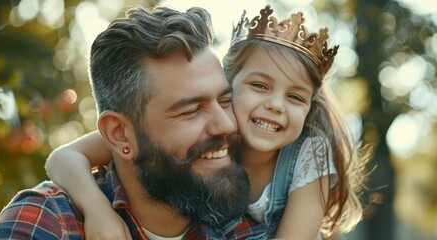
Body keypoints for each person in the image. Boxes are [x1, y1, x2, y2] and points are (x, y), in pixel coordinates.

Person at [45, 5, 369, 240]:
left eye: (296, 97)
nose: (274, 106)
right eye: (259, 86)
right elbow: (65, 156)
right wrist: (97, 209)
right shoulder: (52, 221)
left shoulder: (306, 156)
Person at [0, 5, 267, 240]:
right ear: (120, 134)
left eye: (225, 100)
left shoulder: (249, 226)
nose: (226, 125)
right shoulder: (49, 223)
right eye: (191, 110)